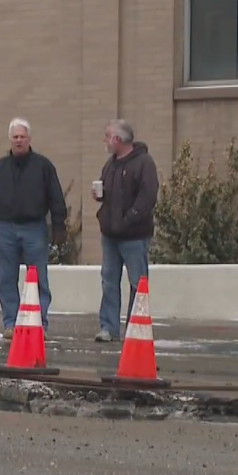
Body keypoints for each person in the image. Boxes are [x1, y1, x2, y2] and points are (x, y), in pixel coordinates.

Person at [0, 118, 68, 340]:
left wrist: (59, 226)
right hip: (6, 229)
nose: (19, 141)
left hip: (34, 228)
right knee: (5, 280)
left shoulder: (44, 167)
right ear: (10, 140)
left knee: (38, 279)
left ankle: (39, 323)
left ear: (29, 139)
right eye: (15, 137)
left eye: (22, 137)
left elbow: (56, 198)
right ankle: (11, 323)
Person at [93, 119, 159, 342]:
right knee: (109, 281)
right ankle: (108, 327)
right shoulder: (110, 165)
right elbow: (107, 191)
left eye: (107, 136)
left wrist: (129, 219)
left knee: (137, 283)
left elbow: (147, 197)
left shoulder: (144, 163)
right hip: (110, 235)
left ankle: (136, 327)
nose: (105, 140)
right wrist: (100, 197)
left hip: (134, 235)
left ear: (118, 139)